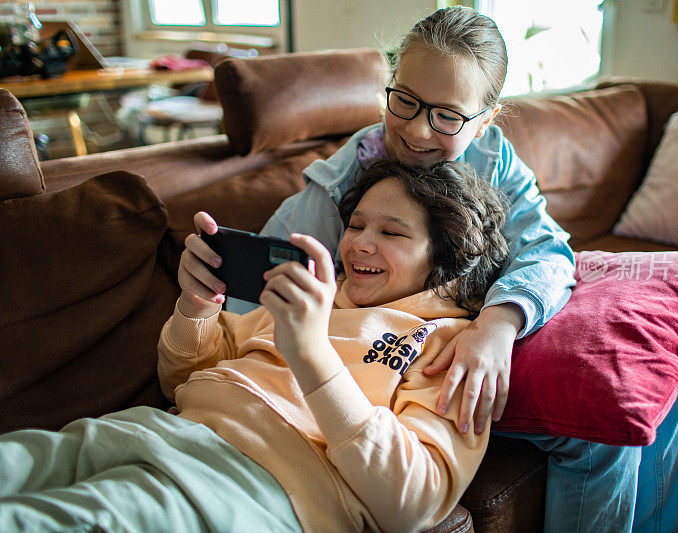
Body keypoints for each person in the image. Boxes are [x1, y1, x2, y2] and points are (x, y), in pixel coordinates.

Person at [225, 6, 678, 532]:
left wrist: (498, 324)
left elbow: (547, 252)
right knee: (599, 424)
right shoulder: (341, 183)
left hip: (477, 331)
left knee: (669, 375)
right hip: (406, 366)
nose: (417, 130)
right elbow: (257, 292)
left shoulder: (492, 157)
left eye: (448, 116)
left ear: (486, 119)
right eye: (403, 100)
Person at [0, 159, 510, 532]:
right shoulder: (315, 300)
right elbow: (181, 377)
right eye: (355, 225)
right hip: (152, 431)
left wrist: (312, 354)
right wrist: (198, 306)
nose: (358, 244)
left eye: (391, 232)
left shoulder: (449, 350)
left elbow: (412, 503)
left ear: (447, 259)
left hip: (249, 485)